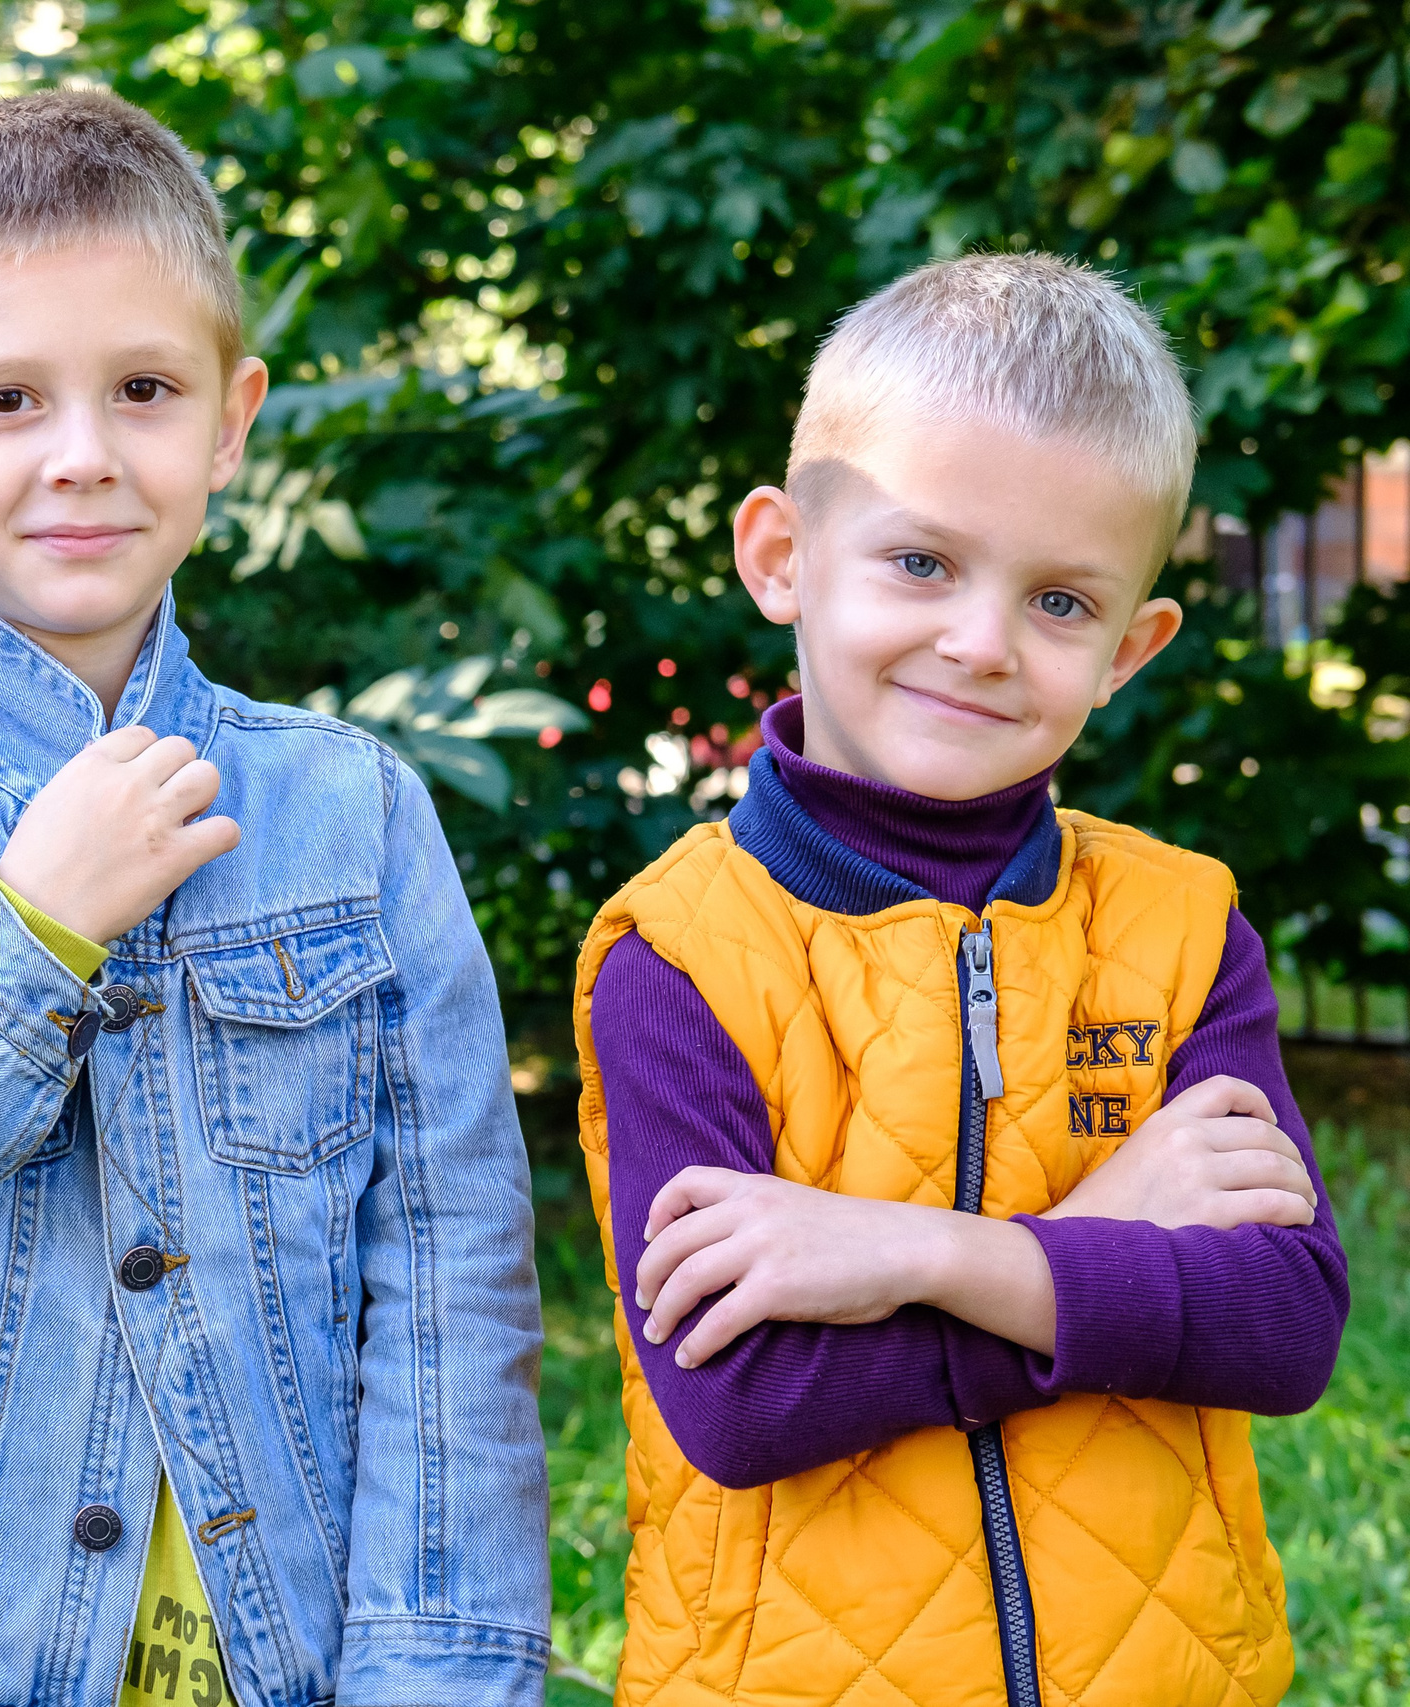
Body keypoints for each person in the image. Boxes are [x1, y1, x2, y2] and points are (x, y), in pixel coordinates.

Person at [0, 90, 551, 1707]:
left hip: (299, 1665)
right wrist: (21, 929)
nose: (82, 453)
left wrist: (436, 1679)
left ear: (229, 422)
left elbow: (450, 1293)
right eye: (4, 398)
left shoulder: (356, 817)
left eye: (144, 390)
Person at [576, 252, 1349, 1707]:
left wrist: (911, 1256)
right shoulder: (680, 954)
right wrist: (1108, 1238)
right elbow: (743, 1401)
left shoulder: (1184, 928)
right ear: (781, 555)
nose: (981, 644)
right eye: (922, 563)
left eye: (1059, 601)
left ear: (1129, 650)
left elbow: (1285, 1324)